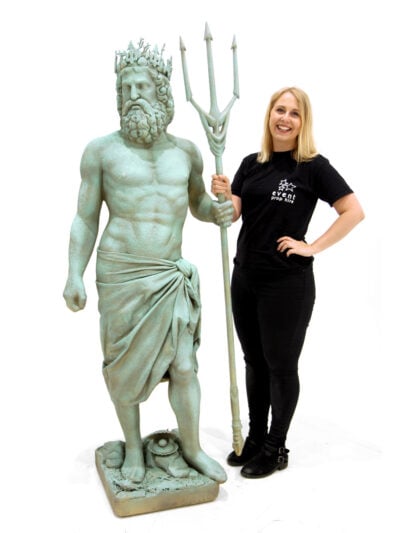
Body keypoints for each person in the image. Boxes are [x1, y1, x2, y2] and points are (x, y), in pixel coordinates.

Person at [63, 40, 233, 484]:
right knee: (123, 370)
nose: (133, 95)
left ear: (161, 92)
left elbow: (198, 202)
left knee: (185, 366)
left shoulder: (187, 152)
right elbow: (85, 218)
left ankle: (192, 447)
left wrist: (219, 210)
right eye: (126, 88)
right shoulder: (101, 151)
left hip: (168, 276)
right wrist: (73, 274)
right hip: (121, 273)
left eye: (141, 86)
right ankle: (134, 448)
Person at [211, 86, 364, 479]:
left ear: (303, 122)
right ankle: (256, 437)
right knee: (253, 361)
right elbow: (233, 213)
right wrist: (223, 195)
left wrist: (311, 247)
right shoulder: (252, 163)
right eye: (280, 110)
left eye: (295, 113)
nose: (285, 118)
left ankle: (276, 447)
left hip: (286, 285)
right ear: (269, 115)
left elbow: (352, 210)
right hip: (245, 277)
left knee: (280, 366)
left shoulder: (311, 167)